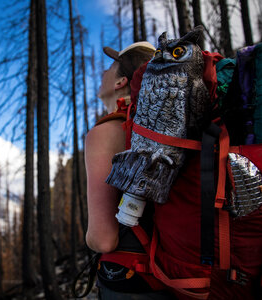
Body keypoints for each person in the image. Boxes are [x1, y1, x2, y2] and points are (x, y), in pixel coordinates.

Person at [85, 42, 175, 299]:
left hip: (132, 279)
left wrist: (89, 238)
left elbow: (103, 240)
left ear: (120, 82)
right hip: (177, 275)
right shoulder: (167, 129)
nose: (104, 72)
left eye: (110, 67)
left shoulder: (107, 132)